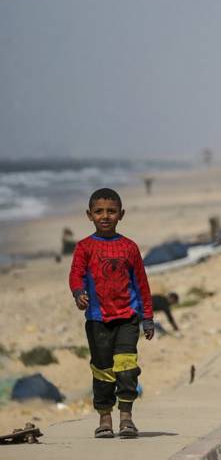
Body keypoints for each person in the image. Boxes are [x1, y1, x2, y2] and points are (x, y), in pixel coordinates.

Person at [68, 188, 154, 439]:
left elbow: (142, 283)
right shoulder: (84, 247)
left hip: (127, 318)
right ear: (89, 215)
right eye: (99, 211)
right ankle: (105, 418)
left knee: (127, 368)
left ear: (121, 215)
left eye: (111, 211)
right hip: (97, 320)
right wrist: (78, 292)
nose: (105, 216)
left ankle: (126, 417)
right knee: (103, 369)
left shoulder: (129, 247)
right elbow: (75, 274)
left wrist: (147, 317)